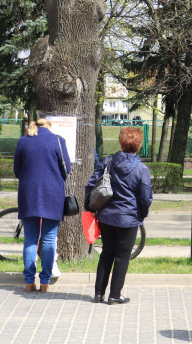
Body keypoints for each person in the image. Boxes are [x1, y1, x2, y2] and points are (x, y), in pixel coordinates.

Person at [85, 127, 152, 304]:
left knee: (106, 253)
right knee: (122, 257)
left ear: (121, 143)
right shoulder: (141, 169)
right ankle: (115, 295)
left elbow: (92, 184)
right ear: (139, 146)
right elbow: (145, 198)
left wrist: (89, 207)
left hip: (106, 217)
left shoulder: (107, 162)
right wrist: (141, 215)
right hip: (129, 218)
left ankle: (98, 294)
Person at [13, 118, 71, 293]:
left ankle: (29, 281)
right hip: (52, 194)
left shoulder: (23, 141)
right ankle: (45, 280)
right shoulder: (58, 141)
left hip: (28, 193)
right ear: (49, 126)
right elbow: (66, 169)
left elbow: (17, 169)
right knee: (48, 238)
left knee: (30, 239)